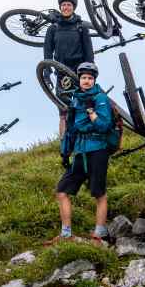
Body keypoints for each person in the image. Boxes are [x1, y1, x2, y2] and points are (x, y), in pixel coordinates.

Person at [55, 62, 114, 244]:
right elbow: (72, 129)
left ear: (94, 80)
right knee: (61, 191)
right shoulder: (75, 99)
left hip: (97, 149)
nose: (86, 81)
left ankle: (100, 232)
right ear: (79, 80)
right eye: (83, 78)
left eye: (89, 78)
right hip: (80, 152)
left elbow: (105, 126)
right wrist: (66, 153)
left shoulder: (100, 98)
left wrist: (90, 111)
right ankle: (66, 233)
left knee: (99, 193)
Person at [44, 0, 95, 136]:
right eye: (63, 5)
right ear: (60, 7)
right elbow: (47, 54)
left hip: (80, 72)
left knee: (87, 105)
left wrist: (90, 72)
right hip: (62, 73)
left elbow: (89, 52)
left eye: (69, 5)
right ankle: (64, 144)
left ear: (73, 8)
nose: (66, 7)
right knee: (63, 111)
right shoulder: (53, 28)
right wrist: (46, 74)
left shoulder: (81, 27)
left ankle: (89, 135)